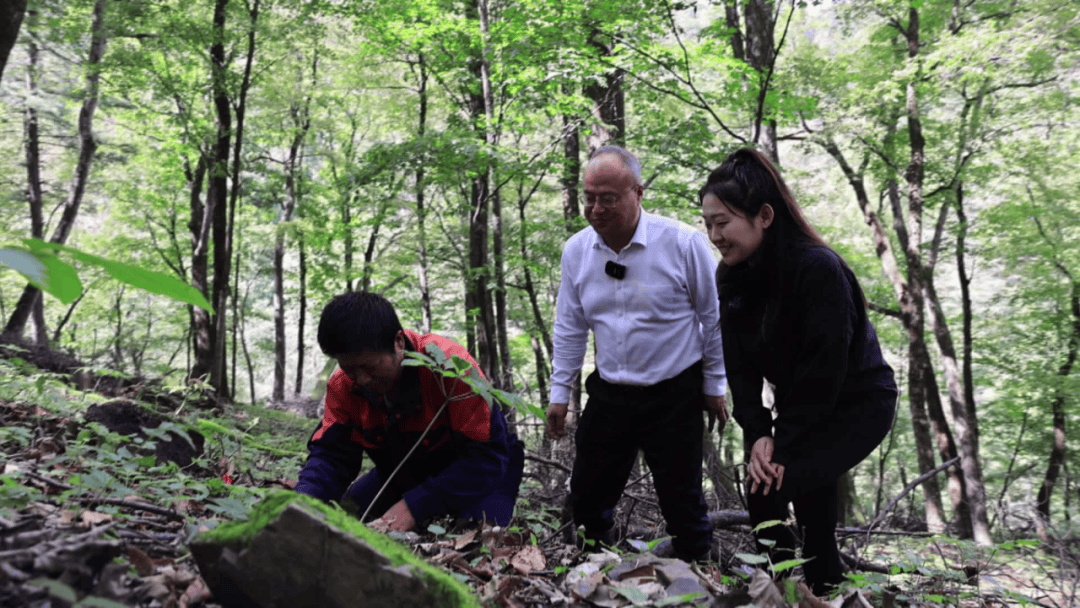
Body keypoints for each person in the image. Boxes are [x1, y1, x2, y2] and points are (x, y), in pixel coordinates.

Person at [699, 148, 897, 596]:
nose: (714, 235)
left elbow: (825, 370)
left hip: (858, 405)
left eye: (723, 222)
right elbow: (741, 368)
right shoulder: (730, 277)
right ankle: (812, 588)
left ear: (764, 216)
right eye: (707, 223)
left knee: (775, 488)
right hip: (800, 405)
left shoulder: (817, 269)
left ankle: (800, 592)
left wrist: (781, 440)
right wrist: (757, 435)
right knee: (783, 489)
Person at [546, 145, 729, 562]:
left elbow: (712, 318)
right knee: (588, 497)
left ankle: (695, 573)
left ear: (638, 193)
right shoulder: (577, 251)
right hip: (611, 389)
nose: (596, 208)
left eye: (608, 197)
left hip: (674, 390)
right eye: (589, 196)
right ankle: (600, 565)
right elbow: (571, 324)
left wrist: (714, 384)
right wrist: (560, 392)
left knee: (683, 501)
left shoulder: (683, 244)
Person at [295, 292, 525, 531]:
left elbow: (488, 459)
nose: (361, 379)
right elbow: (332, 456)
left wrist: (414, 506)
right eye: (349, 369)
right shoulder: (344, 386)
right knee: (347, 514)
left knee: (477, 534)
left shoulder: (452, 370)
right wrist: (303, 502)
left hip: (479, 475)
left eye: (369, 367)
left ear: (398, 342)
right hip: (403, 474)